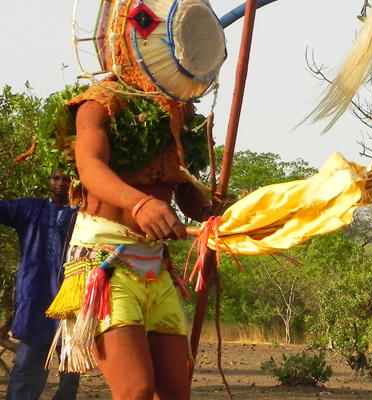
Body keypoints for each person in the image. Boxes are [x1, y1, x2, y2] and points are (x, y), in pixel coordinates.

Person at [37, 1, 227, 399]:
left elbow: (189, 195)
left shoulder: (183, 117)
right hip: (106, 266)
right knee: (136, 391)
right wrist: (140, 204)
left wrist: (213, 216)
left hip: (156, 268)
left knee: (175, 392)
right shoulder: (99, 102)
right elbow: (90, 168)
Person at [1, 170, 80, 400]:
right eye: (56, 178)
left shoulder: (82, 215)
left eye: (67, 179)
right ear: (49, 180)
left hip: (71, 297)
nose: (61, 183)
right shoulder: (29, 208)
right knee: (28, 362)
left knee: (72, 365)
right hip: (35, 295)